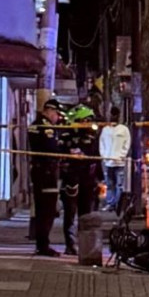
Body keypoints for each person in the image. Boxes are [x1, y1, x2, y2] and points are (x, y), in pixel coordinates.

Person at [58, 105, 101, 255]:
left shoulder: (92, 137)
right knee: (70, 213)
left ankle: (85, 245)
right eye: (85, 120)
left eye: (89, 120)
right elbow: (60, 155)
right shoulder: (65, 136)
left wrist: (100, 179)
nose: (88, 123)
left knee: (86, 215)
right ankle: (70, 245)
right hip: (71, 180)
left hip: (88, 181)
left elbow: (96, 158)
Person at [28, 99, 65, 257]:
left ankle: (42, 244)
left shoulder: (34, 125)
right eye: (56, 113)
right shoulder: (46, 127)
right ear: (49, 111)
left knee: (41, 209)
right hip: (47, 171)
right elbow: (52, 148)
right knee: (47, 209)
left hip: (39, 170)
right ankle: (43, 245)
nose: (57, 117)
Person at [100, 106, 131, 211]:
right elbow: (102, 144)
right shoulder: (105, 130)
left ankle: (118, 204)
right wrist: (104, 156)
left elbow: (127, 144)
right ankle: (111, 203)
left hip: (119, 162)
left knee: (119, 184)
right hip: (108, 162)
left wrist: (122, 155)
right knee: (109, 184)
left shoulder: (124, 129)